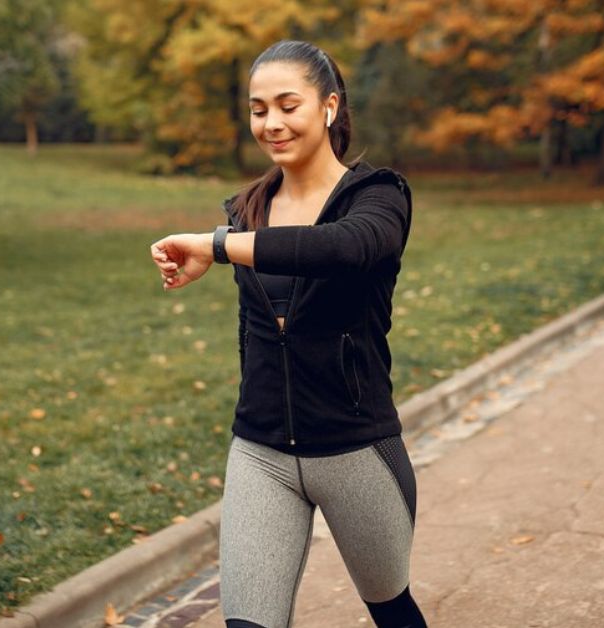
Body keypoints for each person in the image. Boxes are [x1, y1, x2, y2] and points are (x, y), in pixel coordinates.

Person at [149, 40, 427, 628]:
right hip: (261, 453)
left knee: (392, 611)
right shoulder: (247, 210)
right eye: (257, 109)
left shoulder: (377, 197)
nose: (271, 123)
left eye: (287, 105)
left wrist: (216, 246)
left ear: (328, 107)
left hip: (356, 450)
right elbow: (258, 332)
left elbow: (342, 248)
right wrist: (222, 241)